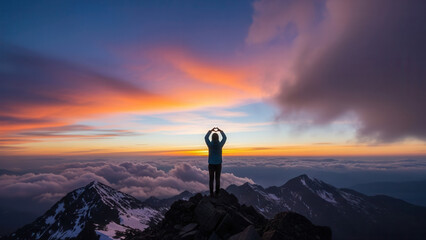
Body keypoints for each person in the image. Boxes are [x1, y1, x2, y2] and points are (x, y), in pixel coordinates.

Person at [205, 127, 227, 197]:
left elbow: (206, 138)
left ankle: (211, 193)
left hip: (211, 164)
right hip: (218, 164)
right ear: (217, 138)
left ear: (212, 138)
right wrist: (221, 131)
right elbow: (224, 138)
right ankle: (217, 193)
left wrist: (210, 131)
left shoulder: (210, 145)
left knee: (211, 179)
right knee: (217, 179)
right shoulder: (220, 145)